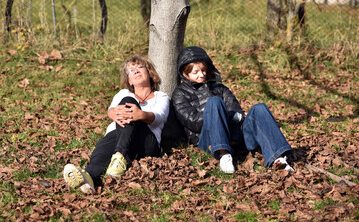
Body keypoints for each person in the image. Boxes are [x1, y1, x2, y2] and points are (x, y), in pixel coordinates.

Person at [172, 46, 294, 174]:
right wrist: (225, 115)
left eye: (203, 70)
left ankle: (278, 158)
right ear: (185, 74)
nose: (201, 74)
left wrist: (234, 120)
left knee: (260, 108)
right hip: (208, 140)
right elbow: (193, 122)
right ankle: (224, 155)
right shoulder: (180, 94)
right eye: (195, 72)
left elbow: (237, 111)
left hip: (234, 137)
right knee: (214, 102)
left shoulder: (219, 88)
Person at [63, 55, 170, 193]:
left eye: (140, 67)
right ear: (129, 80)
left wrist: (140, 115)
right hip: (119, 136)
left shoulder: (161, 96)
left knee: (128, 103)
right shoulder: (123, 93)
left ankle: (119, 156)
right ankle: (89, 177)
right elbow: (111, 111)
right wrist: (114, 113)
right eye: (131, 70)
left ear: (149, 72)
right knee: (106, 144)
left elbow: (161, 117)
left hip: (147, 142)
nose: (136, 71)